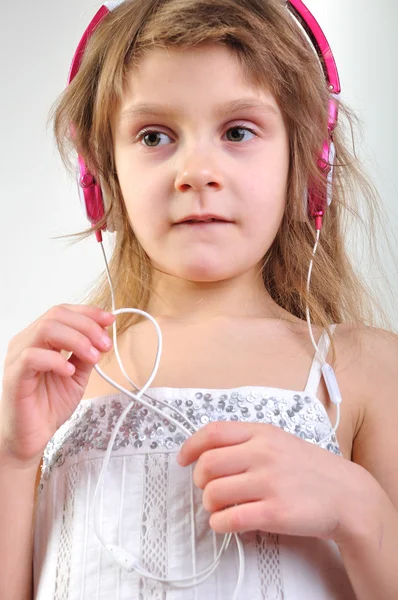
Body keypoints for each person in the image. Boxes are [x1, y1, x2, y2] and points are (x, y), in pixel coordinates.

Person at [1, 0, 398, 598]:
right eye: (154, 136)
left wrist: (361, 512)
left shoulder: (362, 370)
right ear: (101, 176)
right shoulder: (64, 381)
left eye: (238, 131)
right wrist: (13, 456)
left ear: (309, 161)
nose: (196, 171)